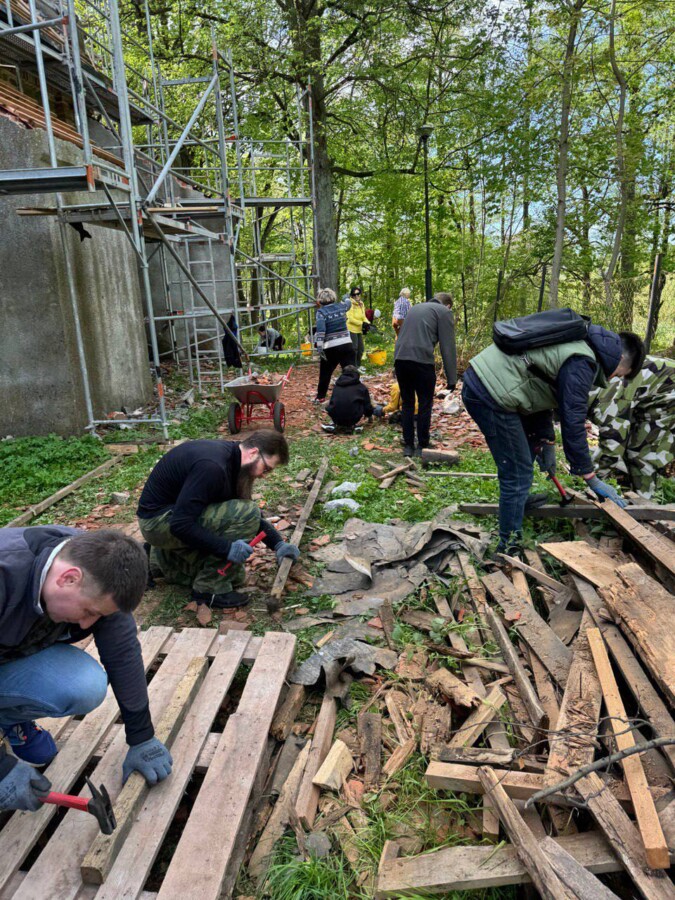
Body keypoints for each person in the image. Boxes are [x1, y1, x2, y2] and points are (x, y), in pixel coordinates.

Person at [0, 528, 171, 813]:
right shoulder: (6, 575)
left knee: (84, 685)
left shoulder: (102, 568)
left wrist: (142, 736)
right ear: (68, 579)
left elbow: (123, 653)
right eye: (89, 612)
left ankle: (8, 716)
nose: (87, 626)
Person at [462, 319, 645, 555]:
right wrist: (590, 477)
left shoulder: (582, 346)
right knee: (517, 472)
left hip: (494, 383)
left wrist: (546, 440)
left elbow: (540, 391)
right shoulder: (583, 362)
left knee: (523, 455)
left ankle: (517, 503)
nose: (613, 379)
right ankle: (508, 545)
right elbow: (573, 421)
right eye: (619, 375)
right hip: (490, 392)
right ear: (620, 359)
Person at [137, 431, 299, 609]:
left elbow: (251, 518)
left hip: (172, 518)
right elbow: (181, 524)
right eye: (266, 468)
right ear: (253, 453)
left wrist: (278, 545)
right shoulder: (212, 467)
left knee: (236, 576)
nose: (263, 475)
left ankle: (156, 558)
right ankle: (208, 590)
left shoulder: (234, 461)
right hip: (158, 523)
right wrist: (226, 548)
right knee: (246, 512)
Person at [589, 355, 675, 499]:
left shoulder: (604, 400)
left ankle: (645, 504)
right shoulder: (588, 382)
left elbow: (613, 443)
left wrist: (594, 480)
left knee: (641, 454)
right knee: (633, 447)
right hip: (650, 396)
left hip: (668, 396)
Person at [394, 291, 457, 457]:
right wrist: (452, 379)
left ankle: (408, 446)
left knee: (407, 403)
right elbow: (447, 346)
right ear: (448, 305)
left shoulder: (416, 308)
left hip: (400, 359)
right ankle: (422, 445)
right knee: (424, 403)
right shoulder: (444, 312)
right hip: (421, 361)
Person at [313, 288, 355, 402]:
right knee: (350, 371)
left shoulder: (321, 312)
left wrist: (320, 348)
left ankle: (321, 397)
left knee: (325, 373)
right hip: (346, 344)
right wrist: (346, 297)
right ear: (333, 297)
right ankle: (354, 394)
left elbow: (321, 331)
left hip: (330, 347)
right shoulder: (342, 307)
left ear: (320, 300)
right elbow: (348, 303)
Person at [323, 366, 374, 434]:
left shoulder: (337, 386)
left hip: (335, 417)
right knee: (362, 402)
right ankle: (353, 426)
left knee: (333, 402)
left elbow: (333, 402)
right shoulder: (361, 387)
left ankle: (335, 424)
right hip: (353, 418)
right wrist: (370, 416)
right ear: (357, 375)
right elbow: (367, 406)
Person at [346, 287, 368, 370]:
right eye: (354, 294)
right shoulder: (350, 304)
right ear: (352, 295)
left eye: (358, 294)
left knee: (361, 349)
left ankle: (358, 365)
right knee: (354, 349)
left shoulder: (361, 304)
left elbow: (363, 316)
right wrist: (362, 324)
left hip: (358, 329)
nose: (356, 296)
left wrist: (367, 324)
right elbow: (350, 318)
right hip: (351, 329)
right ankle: (353, 367)